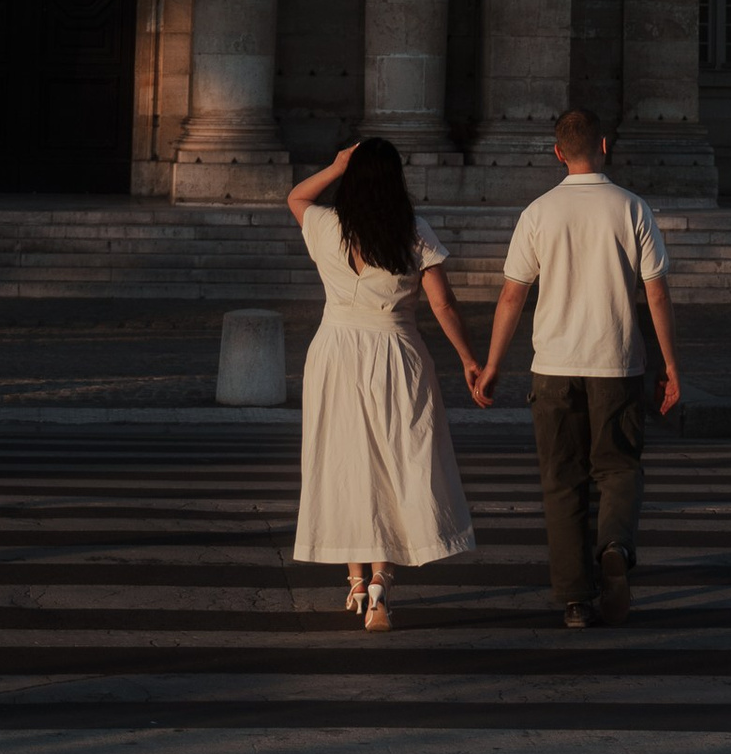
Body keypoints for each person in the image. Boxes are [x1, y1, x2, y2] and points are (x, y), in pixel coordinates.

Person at [475, 110, 682, 630]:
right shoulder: (633, 208)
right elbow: (656, 293)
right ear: (605, 146)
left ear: (557, 152)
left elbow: (511, 295)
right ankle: (613, 544)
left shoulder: (538, 212)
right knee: (618, 467)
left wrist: (494, 364)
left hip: (553, 368)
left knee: (562, 481)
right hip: (617, 364)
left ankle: (574, 601)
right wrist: (671, 365)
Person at [288, 134, 483, 628]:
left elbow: (296, 197)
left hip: (334, 351)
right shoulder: (413, 232)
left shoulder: (328, 226)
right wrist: (468, 359)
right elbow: (443, 305)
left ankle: (355, 579)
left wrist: (335, 166)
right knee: (398, 459)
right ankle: (380, 583)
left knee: (344, 460)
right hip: (397, 351)